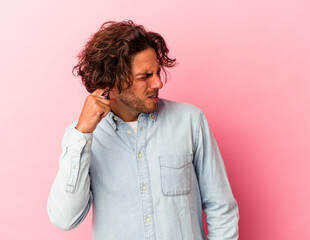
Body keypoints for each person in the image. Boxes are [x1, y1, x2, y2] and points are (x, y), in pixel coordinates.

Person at [47, 20, 239, 240]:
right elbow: (65, 219)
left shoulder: (190, 121)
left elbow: (221, 208)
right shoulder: (82, 137)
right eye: (145, 76)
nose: (158, 83)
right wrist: (82, 134)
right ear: (113, 82)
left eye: (157, 72)